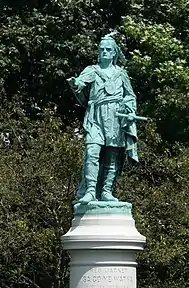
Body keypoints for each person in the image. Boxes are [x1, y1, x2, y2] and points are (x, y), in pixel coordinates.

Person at [68, 33, 138, 204]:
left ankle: (107, 190)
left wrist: (129, 110)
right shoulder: (92, 70)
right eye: (101, 49)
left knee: (112, 155)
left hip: (115, 116)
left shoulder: (121, 74)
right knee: (92, 152)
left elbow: (130, 96)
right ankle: (90, 190)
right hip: (96, 116)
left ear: (114, 53)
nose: (104, 52)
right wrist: (75, 83)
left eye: (108, 49)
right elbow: (80, 82)